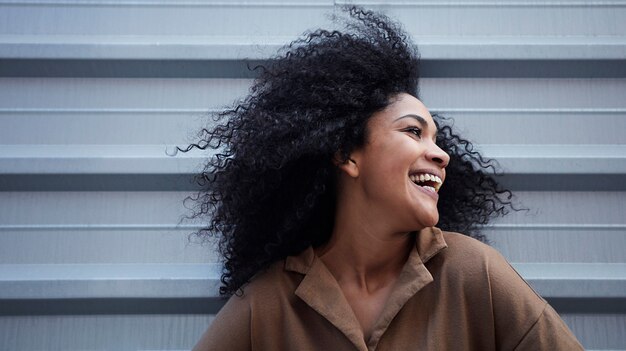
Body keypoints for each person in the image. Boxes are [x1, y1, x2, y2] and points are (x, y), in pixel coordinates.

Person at [185, 6, 583, 350]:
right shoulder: (269, 303)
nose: (442, 155)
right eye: (413, 131)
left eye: (437, 139)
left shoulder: (474, 274)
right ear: (346, 154)